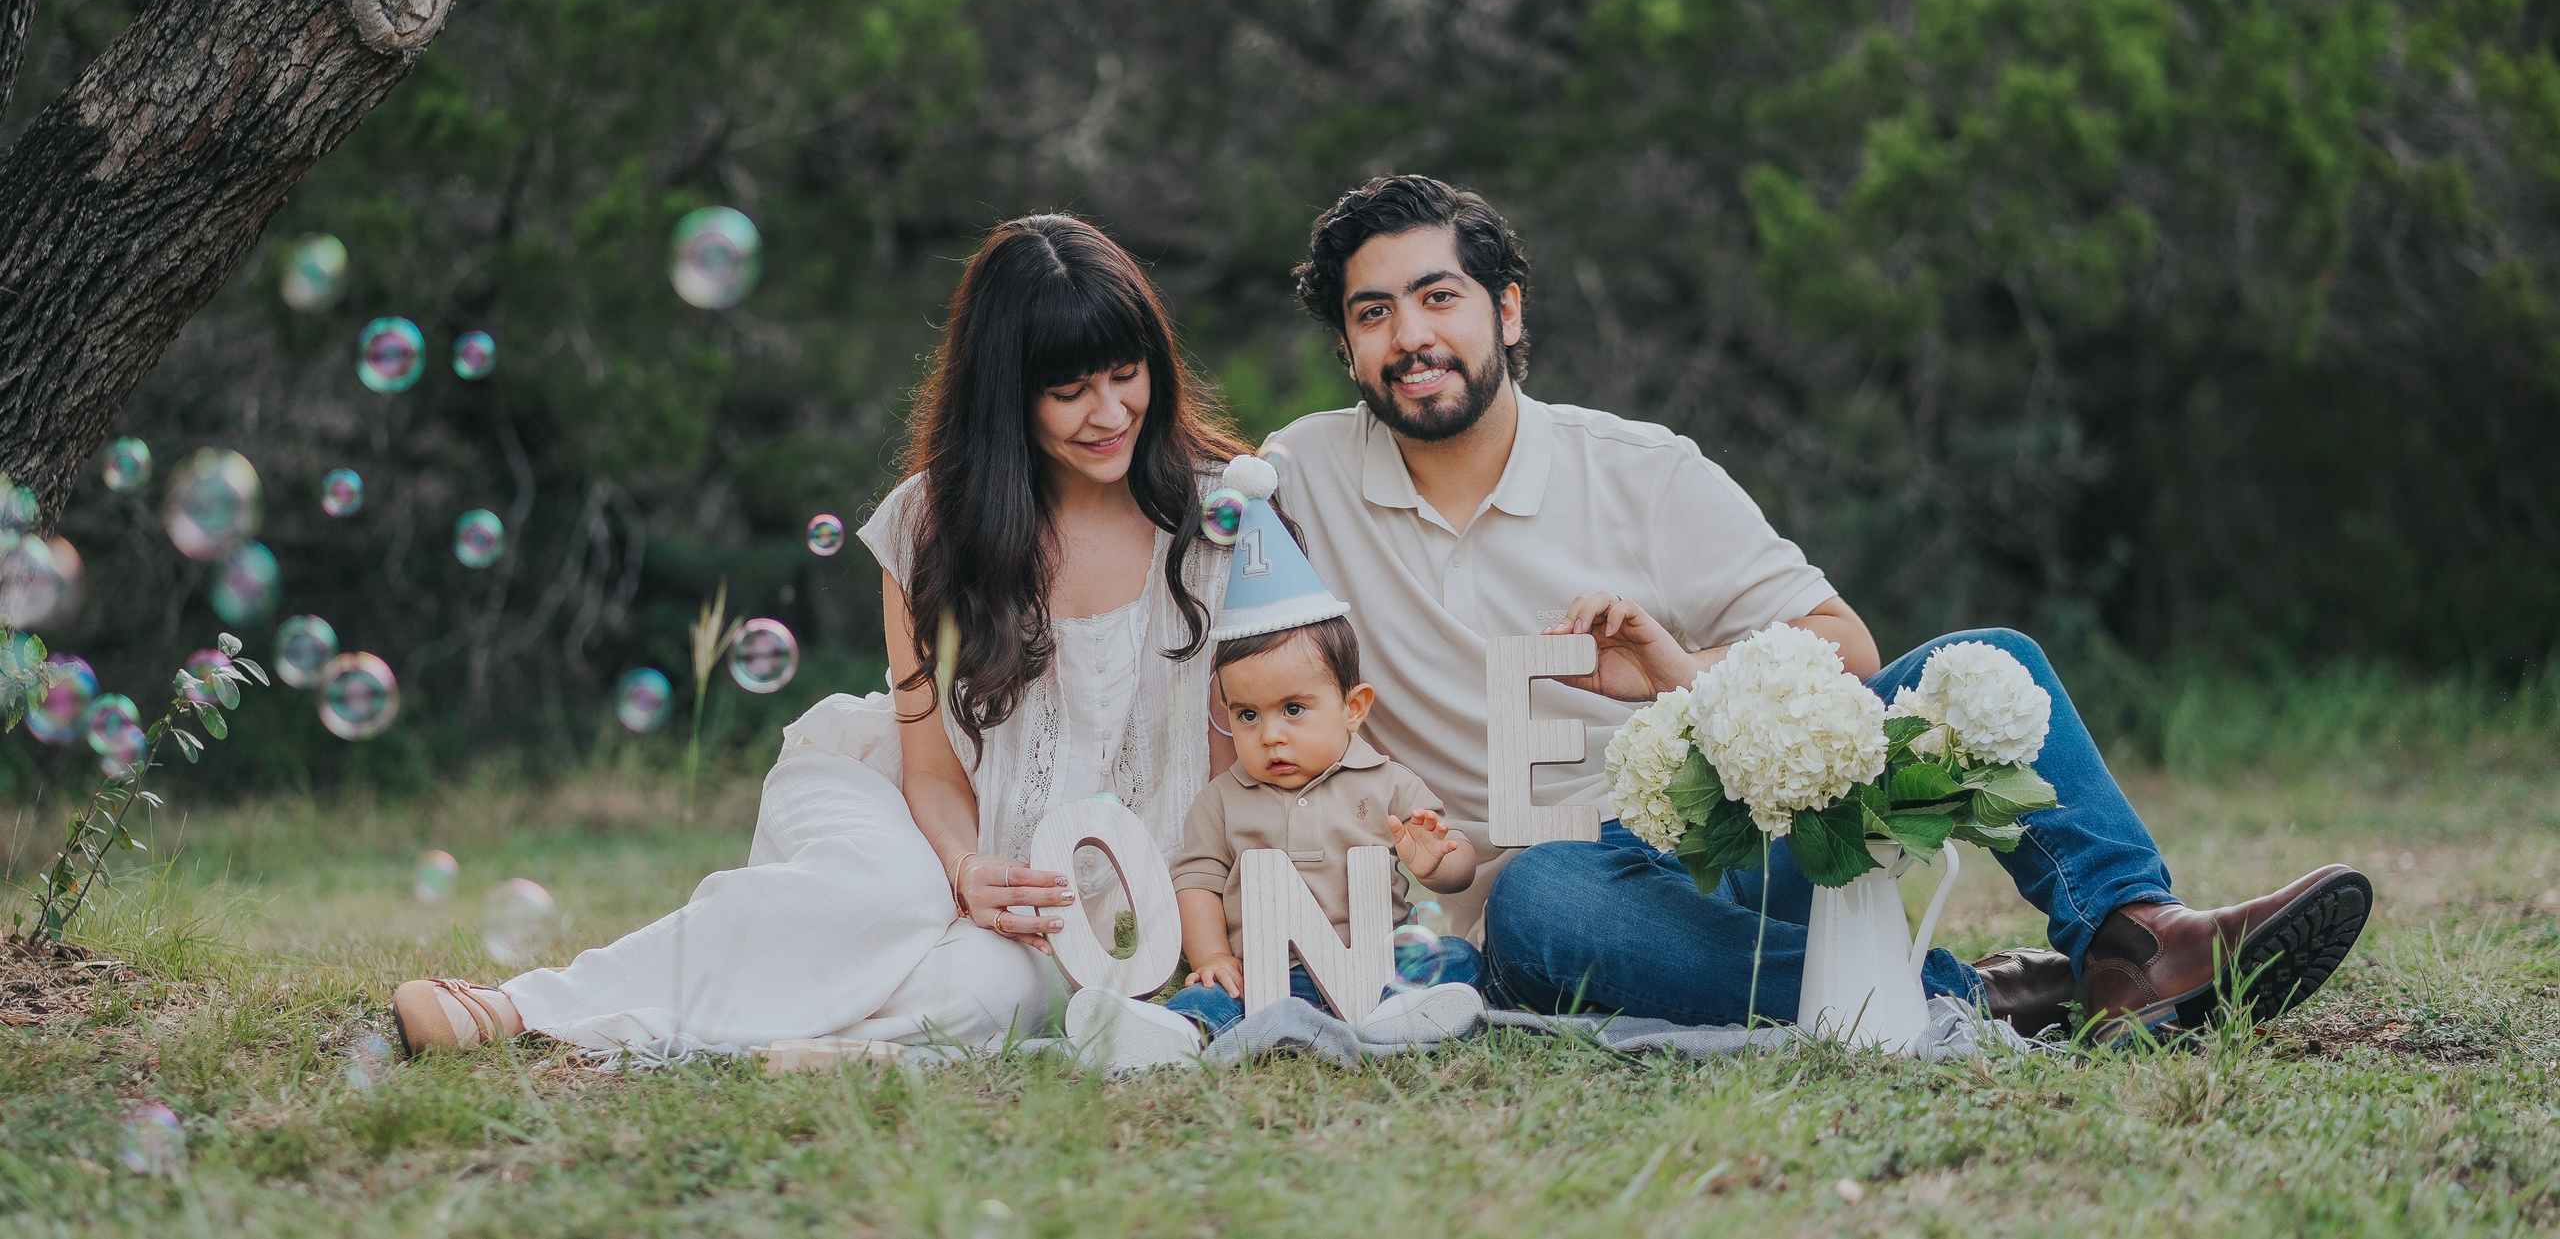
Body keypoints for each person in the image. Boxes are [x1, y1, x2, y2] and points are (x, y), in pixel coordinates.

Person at [1263, 174, 2373, 1038]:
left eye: (1437, 296)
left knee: (1987, 660)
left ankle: (2136, 940)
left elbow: (1845, 649)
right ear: (1350, 345)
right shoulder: (1298, 478)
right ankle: (1965, 995)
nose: (1409, 335)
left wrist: (1682, 667)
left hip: (1737, 845)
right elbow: (1154, 491)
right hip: (1561, 914)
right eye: (1373, 312)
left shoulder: (1641, 470)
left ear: (1507, 312)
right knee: (1538, 893)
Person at [391, 214, 1245, 1061]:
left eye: (1127, 375)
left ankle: (798, 1042)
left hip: (1066, 903)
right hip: (906, 814)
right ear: (1007, 395)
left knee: (995, 992)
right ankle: (519, 1007)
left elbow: (1229, 760)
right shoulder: (930, 524)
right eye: (1069, 392)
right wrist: (963, 868)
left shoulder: (1216, 515)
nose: (1111, 411)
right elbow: (931, 770)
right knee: (890, 894)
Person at [1060, 459, 1487, 1070]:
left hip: (1370, 962)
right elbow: (1199, 882)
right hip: (1264, 974)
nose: (1270, 736)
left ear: (1353, 708)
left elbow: (1458, 868)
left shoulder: (1388, 782)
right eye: (1248, 716)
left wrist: (1440, 860)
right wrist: (1210, 955)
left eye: (1294, 709)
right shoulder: (1223, 801)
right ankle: (1169, 1034)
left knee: (1453, 958)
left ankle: (1398, 1015)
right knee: (1208, 996)